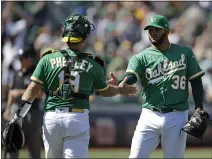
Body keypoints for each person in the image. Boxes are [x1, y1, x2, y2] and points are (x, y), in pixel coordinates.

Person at [6, 13, 137, 158]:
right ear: (84, 37)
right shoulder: (94, 64)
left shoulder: (47, 59)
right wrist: (119, 89)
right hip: (76, 116)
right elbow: (105, 91)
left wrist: (18, 117)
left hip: (52, 118)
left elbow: (31, 91)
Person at [108, 14, 206, 158]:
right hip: (149, 114)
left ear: (167, 31)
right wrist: (121, 82)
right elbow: (132, 75)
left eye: (157, 29)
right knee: (135, 156)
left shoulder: (184, 52)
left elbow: (196, 81)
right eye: (150, 30)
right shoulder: (140, 57)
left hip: (177, 114)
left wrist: (199, 107)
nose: (153, 33)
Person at [3, 46, 42, 159]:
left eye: (22, 58)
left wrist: (19, 93)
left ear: (29, 58)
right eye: (19, 58)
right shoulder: (16, 74)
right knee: (11, 143)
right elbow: (11, 93)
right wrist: (8, 109)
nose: (20, 61)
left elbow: (40, 93)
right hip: (15, 111)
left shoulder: (36, 72)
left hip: (32, 112)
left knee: (33, 147)